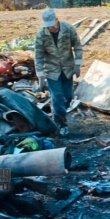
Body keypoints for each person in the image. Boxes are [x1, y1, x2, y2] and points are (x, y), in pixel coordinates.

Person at [34, 9, 83, 137]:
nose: (51, 28)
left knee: (68, 96)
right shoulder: (41, 35)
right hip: (52, 71)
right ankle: (61, 124)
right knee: (57, 97)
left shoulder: (68, 29)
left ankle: (58, 113)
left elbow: (77, 46)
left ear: (56, 20)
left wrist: (77, 64)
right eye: (48, 26)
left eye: (52, 25)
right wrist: (40, 75)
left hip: (67, 69)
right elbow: (38, 56)